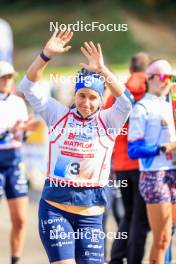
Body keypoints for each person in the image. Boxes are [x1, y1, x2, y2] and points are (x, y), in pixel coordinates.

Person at [18, 29, 133, 264]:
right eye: (82, 95)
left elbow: (126, 101)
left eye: (93, 97)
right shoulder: (57, 114)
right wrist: (45, 55)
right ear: (75, 94)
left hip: (91, 215)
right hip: (54, 208)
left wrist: (102, 70)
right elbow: (28, 86)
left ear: (102, 100)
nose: (86, 102)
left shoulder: (109, 121)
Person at [128, 59, 176, 263]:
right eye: (163, 76)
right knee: (162, 238)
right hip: (154, 176)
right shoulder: (142, 108)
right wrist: (164, 148)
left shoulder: (168, 105)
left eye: (171, 77)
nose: (167, 82)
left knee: (169, 235)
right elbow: (133, 149)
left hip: (172, 173)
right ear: (149, 78)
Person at [106, 52, 150, 264]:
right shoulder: (152, 89)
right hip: (144, 163)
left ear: (131, 68)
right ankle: (133, 260)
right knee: (140, 219)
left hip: (121, 164)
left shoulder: (118, 91)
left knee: (128, 214)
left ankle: (115, 258)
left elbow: (105, 122)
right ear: (147, 68)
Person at [0, 60, 40, 264]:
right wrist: (9, 131)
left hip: (14, 163)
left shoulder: (17, 103)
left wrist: (26, 131)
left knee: (21, 218)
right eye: (4, 77)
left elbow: (22, 137)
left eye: (10, 77)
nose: (8, 81)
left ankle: (15, 260)